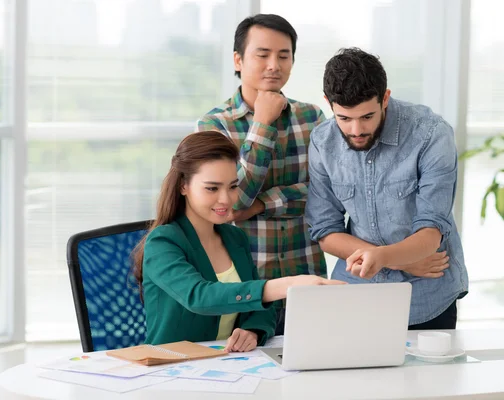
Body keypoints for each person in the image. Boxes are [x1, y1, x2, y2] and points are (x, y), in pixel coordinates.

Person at [133, 131, 344, 352]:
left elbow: (261, 308)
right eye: (212, 188)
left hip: (229, 366)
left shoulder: (234, 237)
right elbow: (199, 297)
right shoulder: (163, 242)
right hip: (173, 367)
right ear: (183, 186)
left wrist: (252, 330)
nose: (226, 199)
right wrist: (287, 285)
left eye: (232, 186)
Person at [306, 47, 469, 329]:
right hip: (356, 294)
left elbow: (431, 232)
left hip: (426, 294)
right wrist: (394, 261)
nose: (356, 130)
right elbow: (325, 231)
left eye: (367, 117)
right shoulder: (322, 141)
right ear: (328, 103)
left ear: (385, 98)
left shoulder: (431, 133)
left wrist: (382, 258)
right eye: (344, 118)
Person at [196, 14, 327, 335]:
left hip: (306, 273)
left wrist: (261, 205)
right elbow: (232, 201)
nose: (274, 65)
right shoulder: (215, 126)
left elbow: (327, 194)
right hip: (248, 281)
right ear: (238, 60)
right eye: (263, 54)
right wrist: (263, 124)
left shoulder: (312, 118)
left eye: (284, 55)